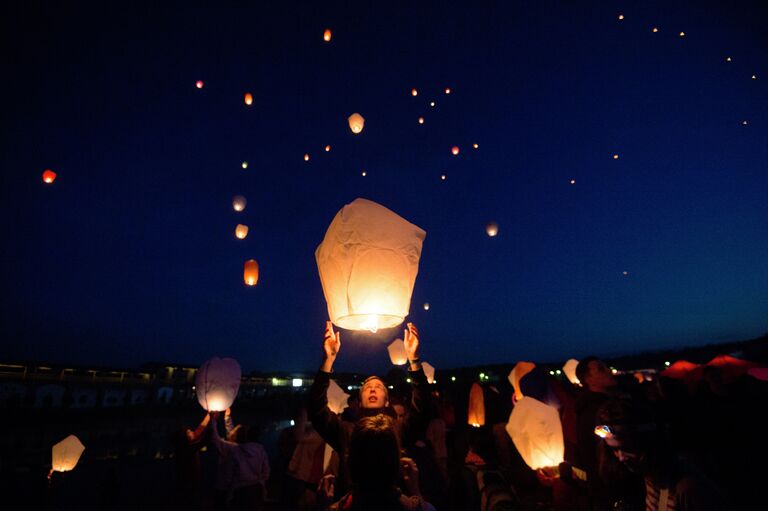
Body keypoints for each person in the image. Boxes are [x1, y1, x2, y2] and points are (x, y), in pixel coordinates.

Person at [307, 321, 431, 496]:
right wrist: (328, 360)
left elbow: (423, 408)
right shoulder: (345, 431)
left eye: (379, 387)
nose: (372, 389)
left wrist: (414, 359)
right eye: (367, 387)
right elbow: (316, 408)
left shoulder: (399, 430)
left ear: (387, 401)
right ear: (359, 401)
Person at [595, 398, 725, 510]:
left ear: (650, 441)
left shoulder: (688, 487)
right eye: (614, 450)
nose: (621, 457)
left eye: (629, 448)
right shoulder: (649, 474)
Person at [326, 414, 435, 511]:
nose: (373, 390)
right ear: (397, 461)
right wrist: (415, 491)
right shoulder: (414, 507)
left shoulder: (339, 507)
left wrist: (325, 506)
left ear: (350, 460)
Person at [209, 408, 271, 511]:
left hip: (236, 490)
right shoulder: (258, 449)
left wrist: (213, 420)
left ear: (236, 436)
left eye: (234, 431)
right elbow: (266, 472)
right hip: (256, 489)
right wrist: (227, 417)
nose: (231, 431)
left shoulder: (231, 448)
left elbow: (214, 438)